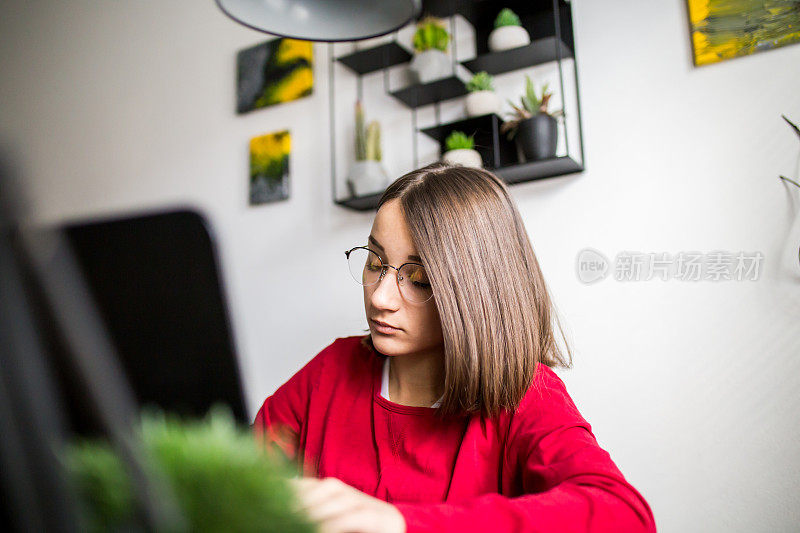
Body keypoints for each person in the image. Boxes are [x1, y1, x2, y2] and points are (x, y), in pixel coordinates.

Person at [253, 162, 657, 533]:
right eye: (375, 262)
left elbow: (624, 516)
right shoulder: (332, 370)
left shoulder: (526, 393)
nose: (380, 299)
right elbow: (235, 475)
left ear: (475, 288)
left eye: (421, 278)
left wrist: (399, 524)